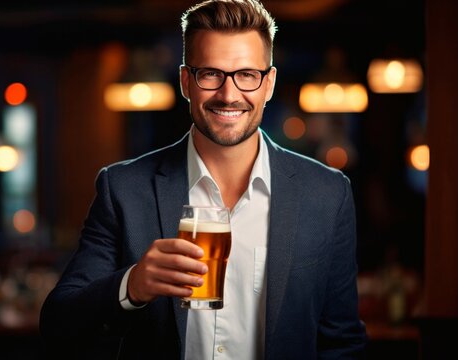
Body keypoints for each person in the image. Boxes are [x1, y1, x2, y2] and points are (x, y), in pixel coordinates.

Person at [40, 0, 367, 358]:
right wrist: (131, 285)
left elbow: (342, 342)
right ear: (186, 81)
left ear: (268, 84)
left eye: (247, 75)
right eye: (210, 74)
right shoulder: (123, 189)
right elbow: (59, 324)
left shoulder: (327, 194)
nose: (229, 95)